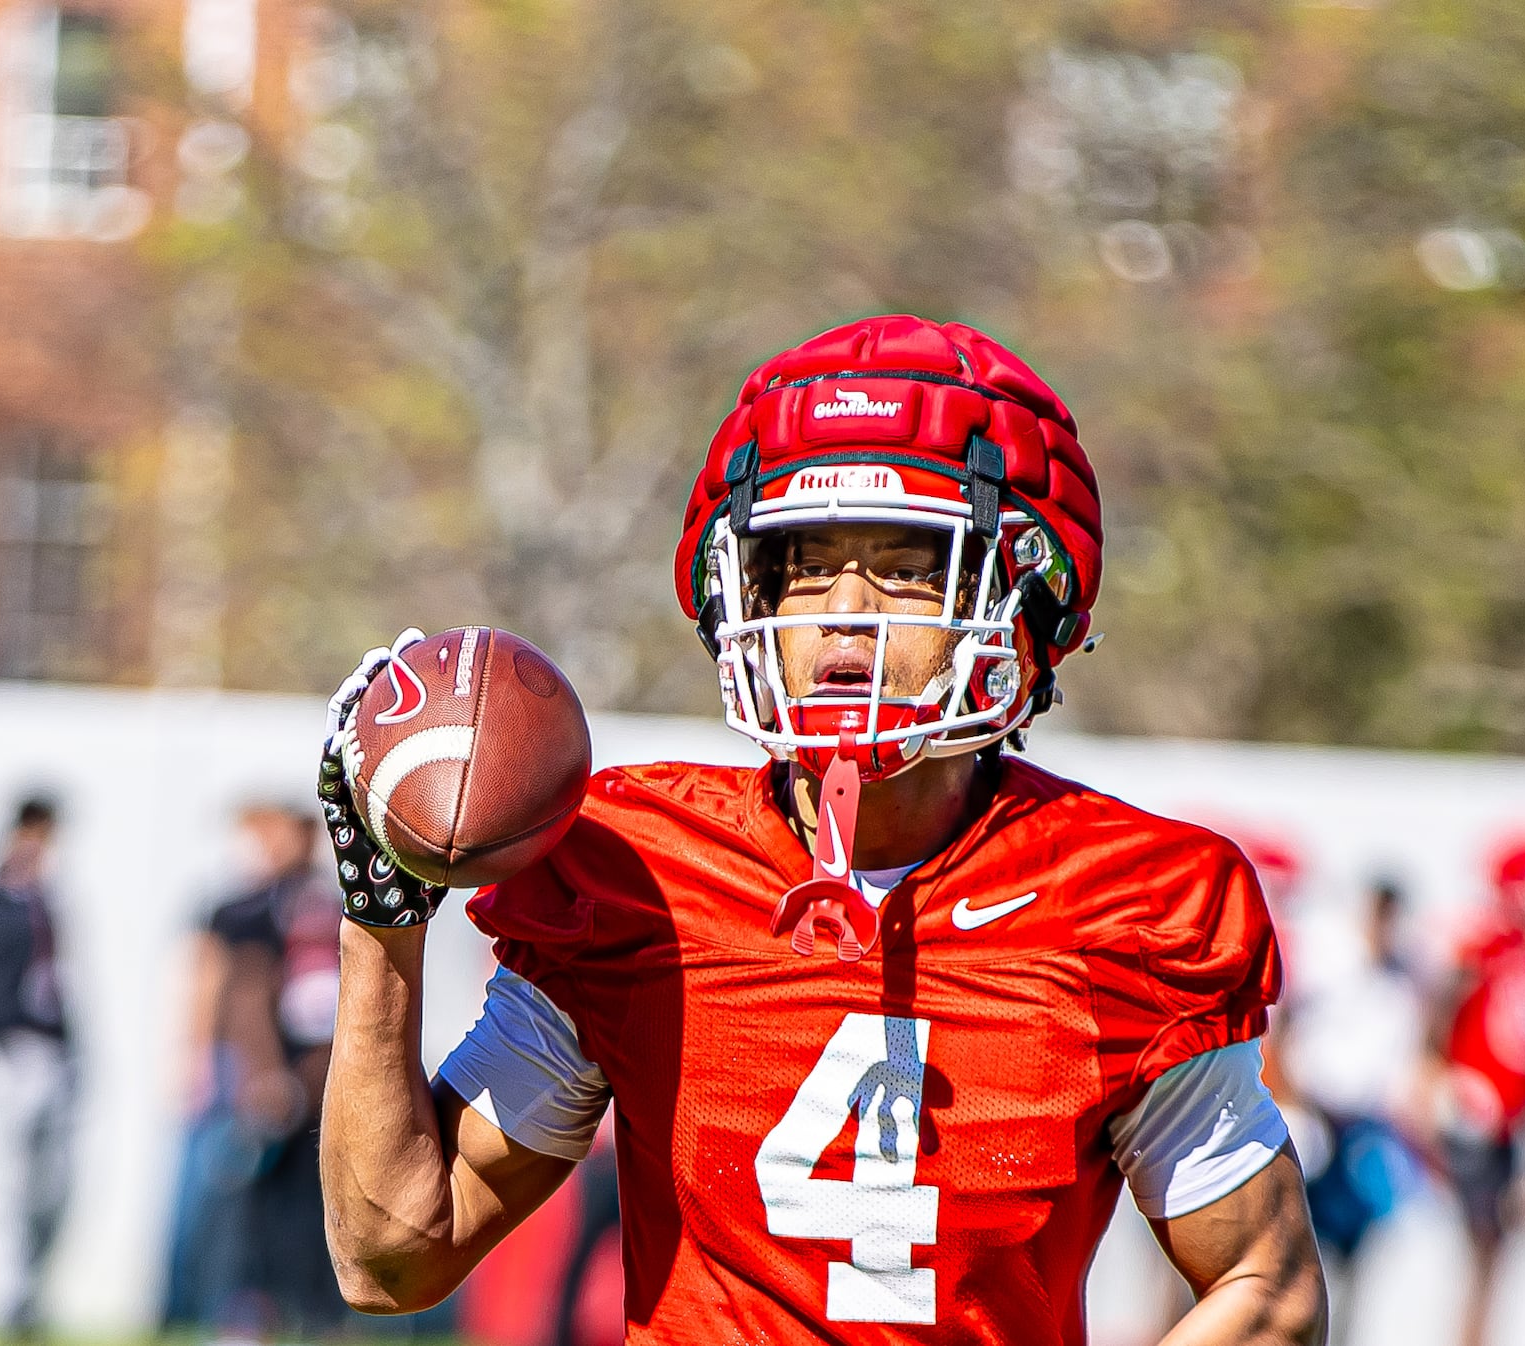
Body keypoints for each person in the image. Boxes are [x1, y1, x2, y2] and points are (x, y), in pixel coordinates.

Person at [312, 316, 1325, 1344]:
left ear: (1021, 598)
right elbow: (393, 1254)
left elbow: (1266, 1287)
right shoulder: (635, 870)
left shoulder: (1127, 898)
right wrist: (381, 918)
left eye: (909, 566)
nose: (845, 609)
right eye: (802, 565)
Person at [206, 803, 362, 1341]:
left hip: (325, 1073)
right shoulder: (255, 907)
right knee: (259, 1199)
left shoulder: (331, 900)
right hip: (278, 1072)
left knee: (323, 1198)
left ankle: (321, 1314)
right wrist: (265, 1072)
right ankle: (252, 1309)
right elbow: (247, 992)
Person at [1431, 833, 1525, 1346]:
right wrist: (1441, 1080)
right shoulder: (1483, 942)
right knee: (1482, 1243)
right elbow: (1442, 1014)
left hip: (1512, 1121)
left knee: (1497, 1249)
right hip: (1476, 1115)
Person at [1271, 877, 1428, 1296]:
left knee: (1358, 1240)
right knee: (1290, 1236)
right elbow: (1283, 1026)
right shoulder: (1327, 962)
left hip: (1365, 1127)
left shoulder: (1402, 980)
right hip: (1313, 1113)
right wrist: (1289, 1096)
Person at [0, 794, 77, 1341]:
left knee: (51, 1187)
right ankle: (5, 1298)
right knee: (8, 1184)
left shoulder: (47, 901)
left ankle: (32, 1294)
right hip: (17, 1052)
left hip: (54, 1053)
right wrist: (3, 1043)